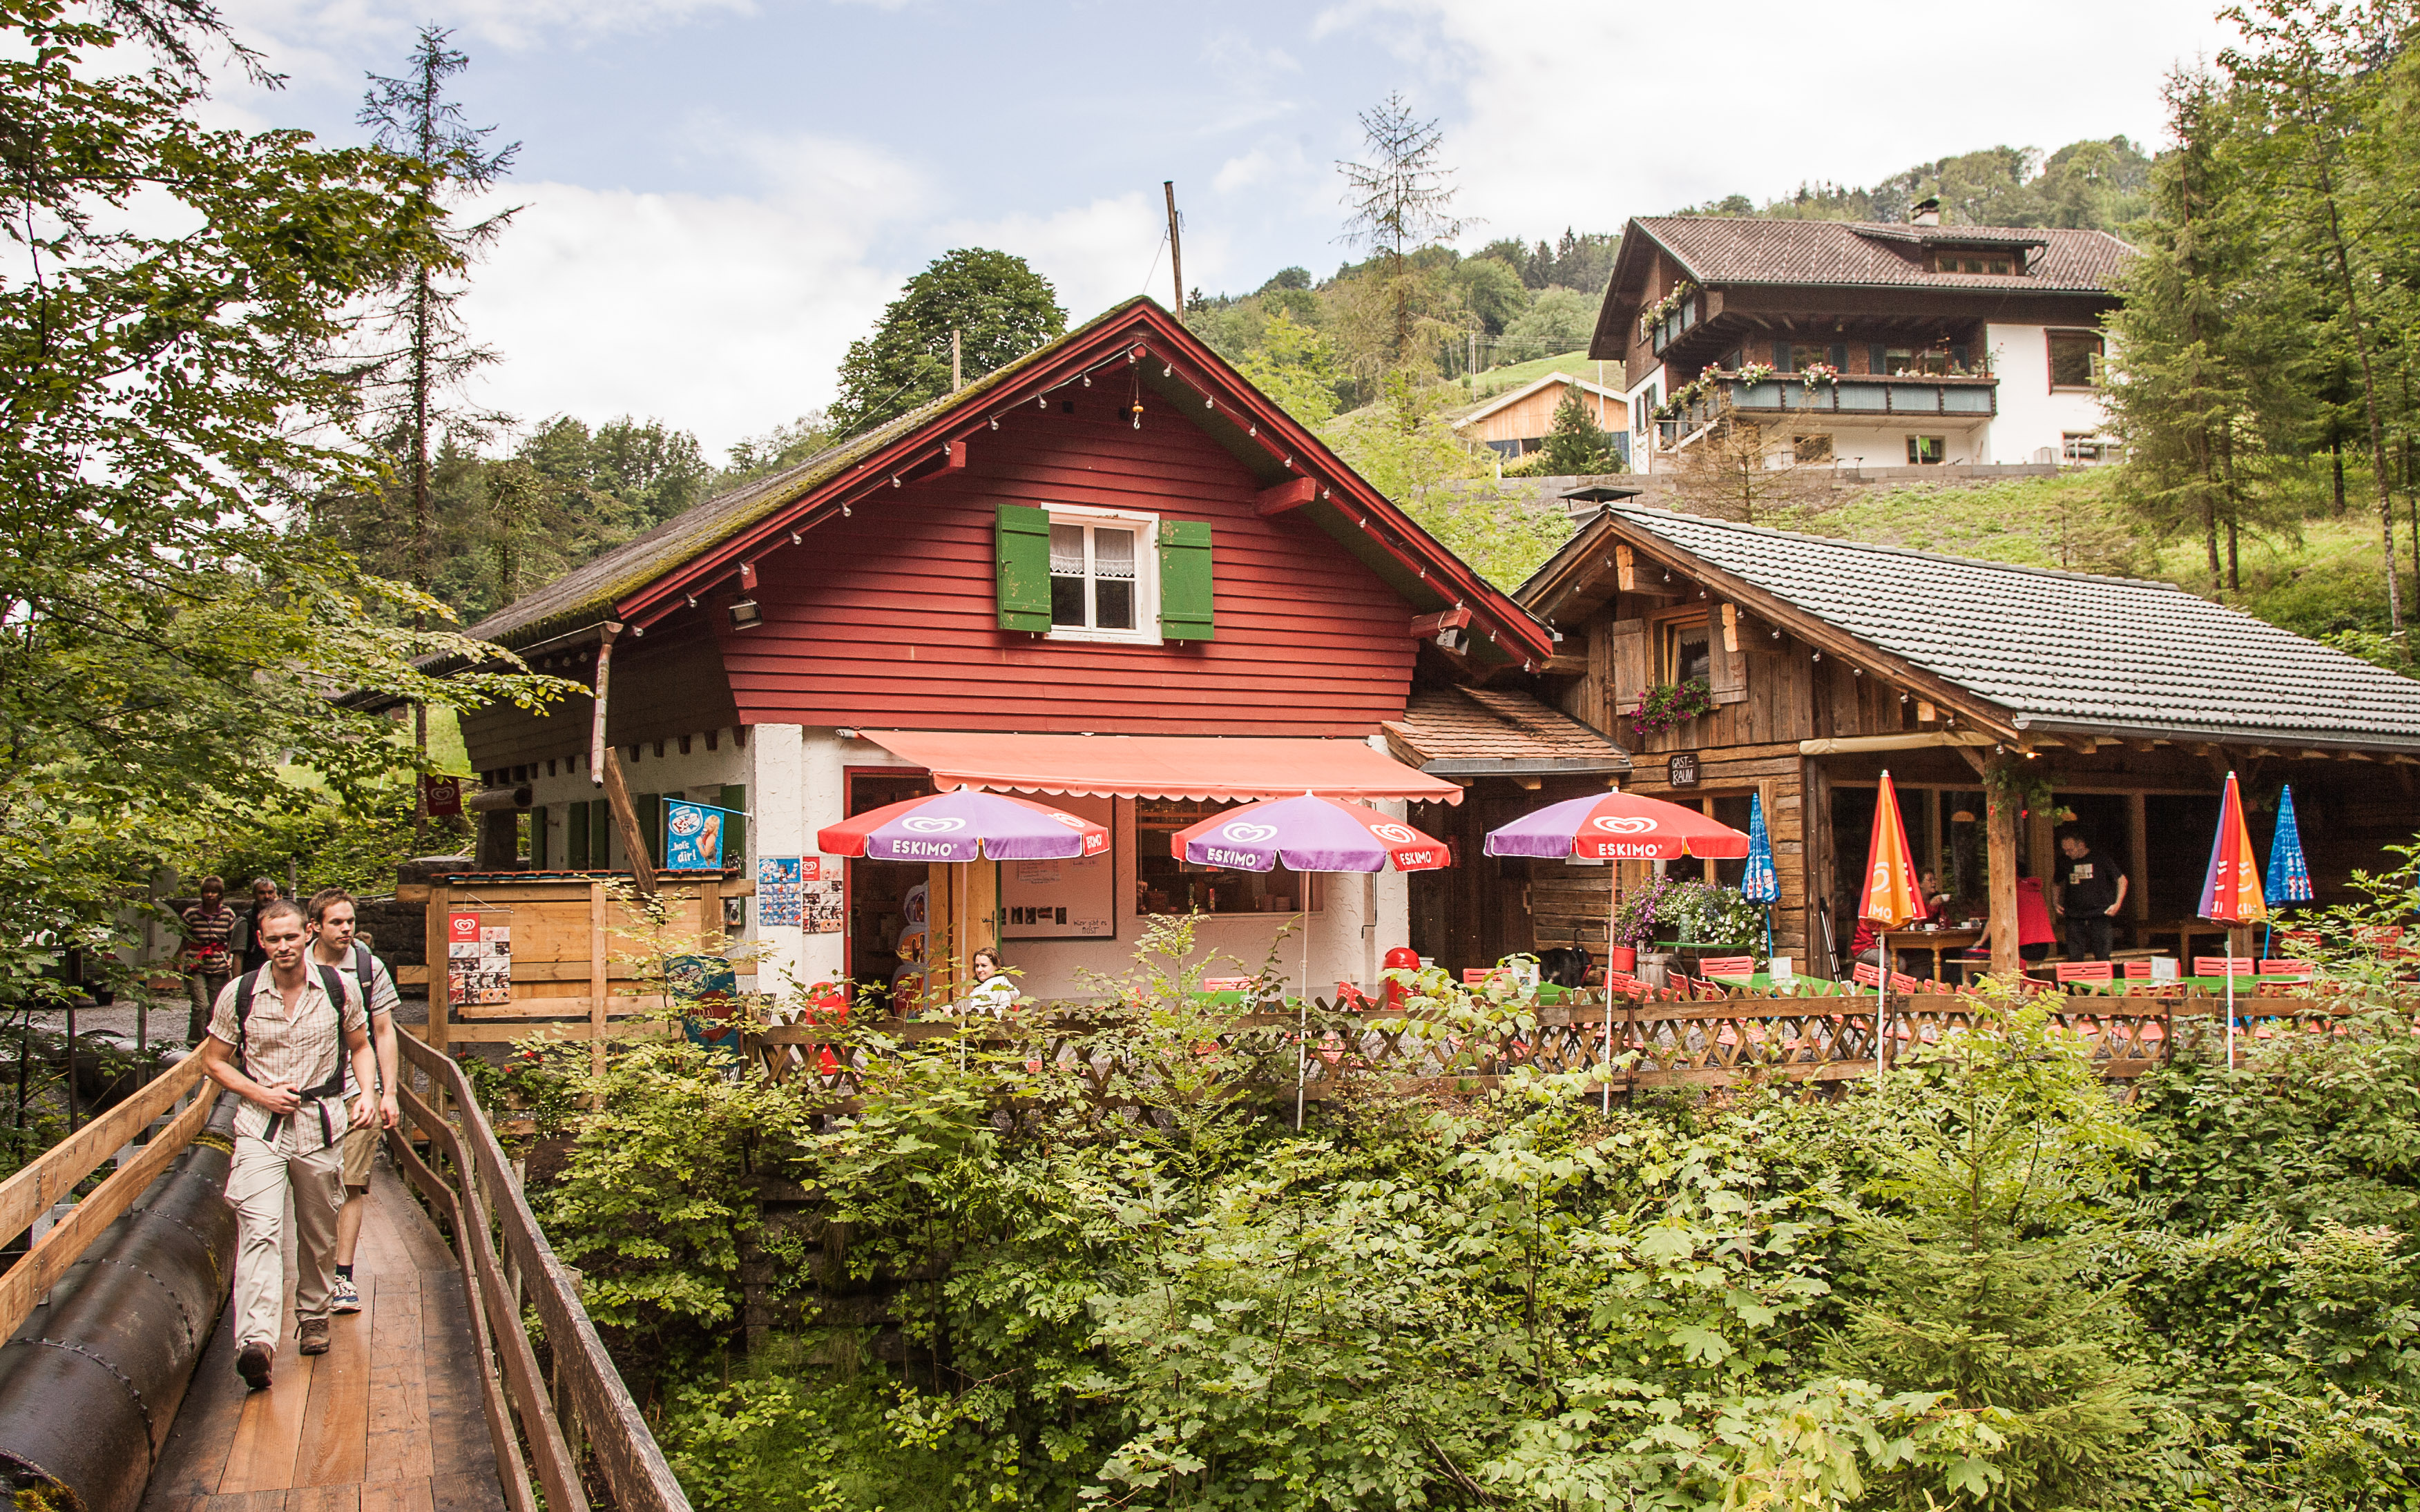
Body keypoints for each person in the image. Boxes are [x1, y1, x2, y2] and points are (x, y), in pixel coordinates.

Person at [195, 898, 378, 1390]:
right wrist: (259, 1093)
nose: (283, 947)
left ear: (306, 935)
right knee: (260, 1227)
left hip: (321, 1125)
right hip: (260, 1127)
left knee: (318, 1230)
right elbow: (215, 1061)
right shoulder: (240, 995)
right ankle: (256, 1342)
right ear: (261, 941)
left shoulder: (339, 989)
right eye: (273, 939)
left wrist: (369, 1091)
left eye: (291, 937)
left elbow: (360, 1045)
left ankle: (314, 1314)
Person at [306, 889, 401, 1317]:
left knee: (353, 1182)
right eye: (337, 923)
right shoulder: (295, 963)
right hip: (306, 1094)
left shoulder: (368, 967)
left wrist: (388, 1093)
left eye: (350, 922)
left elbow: (384, 1031)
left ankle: (342, 1276)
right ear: (316, 927)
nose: (346, 930)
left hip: (356, 1090)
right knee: (312, 1186)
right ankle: (313, 1274)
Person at [2053, 829, 2129, 962]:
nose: (2067, 853)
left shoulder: (2100, 858)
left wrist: (2117, 904)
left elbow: (2122, 879)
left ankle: (2104, 982)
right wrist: (2055, 902)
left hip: (2100, 913)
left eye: (2070, 850)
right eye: (2064, 850)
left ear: (2081, 845)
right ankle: (2076, 982)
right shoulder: (2064, 861)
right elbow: (2056, 883)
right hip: (2074, 914)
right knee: (2075, 956)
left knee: (2102, 955)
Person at [180, 876, 238, 1044]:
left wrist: (230, 958)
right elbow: (183, 939)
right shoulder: (191, 914)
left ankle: (210, 1041)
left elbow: (231, 940)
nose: (210, 895)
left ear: (220, 895)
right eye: (207, 892)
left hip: (218, 965)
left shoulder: (228, 914)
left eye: (214, 892)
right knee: (200, 1005)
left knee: (214, 1007)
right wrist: (179, 960)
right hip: (195, 964)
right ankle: (195, 1041)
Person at [233, 875, 282, 973]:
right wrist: (238, 985)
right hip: (252, 974)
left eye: (270, 892)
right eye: (262, 893)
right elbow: (238, 956)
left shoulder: (282, 918)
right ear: (254, 895)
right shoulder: (245, 922)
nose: (267, 897)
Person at [967, 947, 1017, 1016]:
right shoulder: (982, 987)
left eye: (984, 965)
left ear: (996, 966)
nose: (979, 970)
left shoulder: (997, 989)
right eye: (977, 966)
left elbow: (975, 1012)